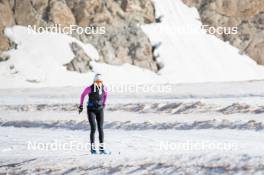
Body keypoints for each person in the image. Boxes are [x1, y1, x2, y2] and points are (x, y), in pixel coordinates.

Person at [79, 74, 108, 154]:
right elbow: (82, 95)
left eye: (100, 82)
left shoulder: (104, 88)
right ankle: (93, 149)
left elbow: (106, 95)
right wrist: (81, 106)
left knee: (101, 128)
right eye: (97, 82)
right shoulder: (89, 88)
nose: (99, 83)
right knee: (93, 128)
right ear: (94, 81)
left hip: (100, 110)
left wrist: (104, 104)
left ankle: (102, 149)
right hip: (91, 110)